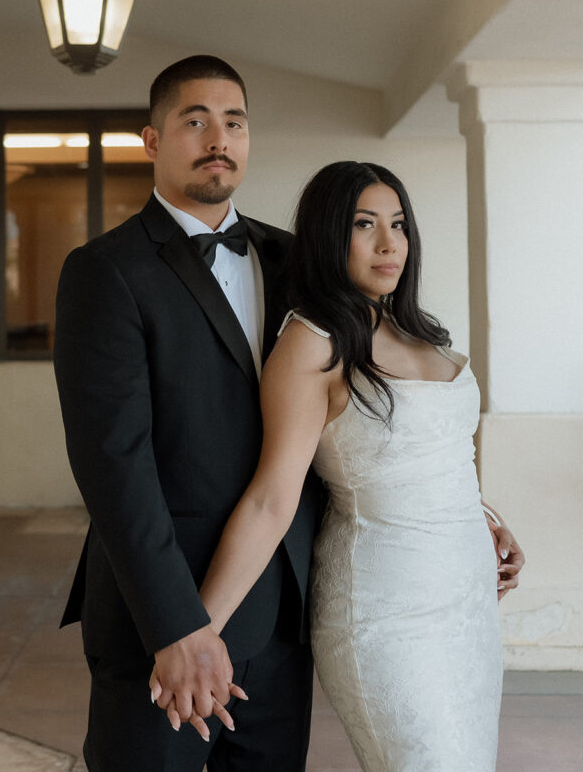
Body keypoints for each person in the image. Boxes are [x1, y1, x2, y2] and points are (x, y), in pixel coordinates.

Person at [157, 160, 522, 771]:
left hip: (467, 607)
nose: (389, 243)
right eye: (365, 224)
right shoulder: (314, 342)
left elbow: (428, 457)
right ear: (330, 235)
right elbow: (272, 498)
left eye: (400, 225)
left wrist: (484, 515)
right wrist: (197, 633)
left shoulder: (422, 334)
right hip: (386, 613)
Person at [53, 56, 325, 772]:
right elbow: (113, 465)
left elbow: (359, 412)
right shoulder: (104, 270)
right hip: (158, 620)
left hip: (276, 612)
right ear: (151, 141)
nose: (218, 137)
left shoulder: (295, 260)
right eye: (194, 120)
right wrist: (178, 626)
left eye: (233, 122)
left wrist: (467, 513)